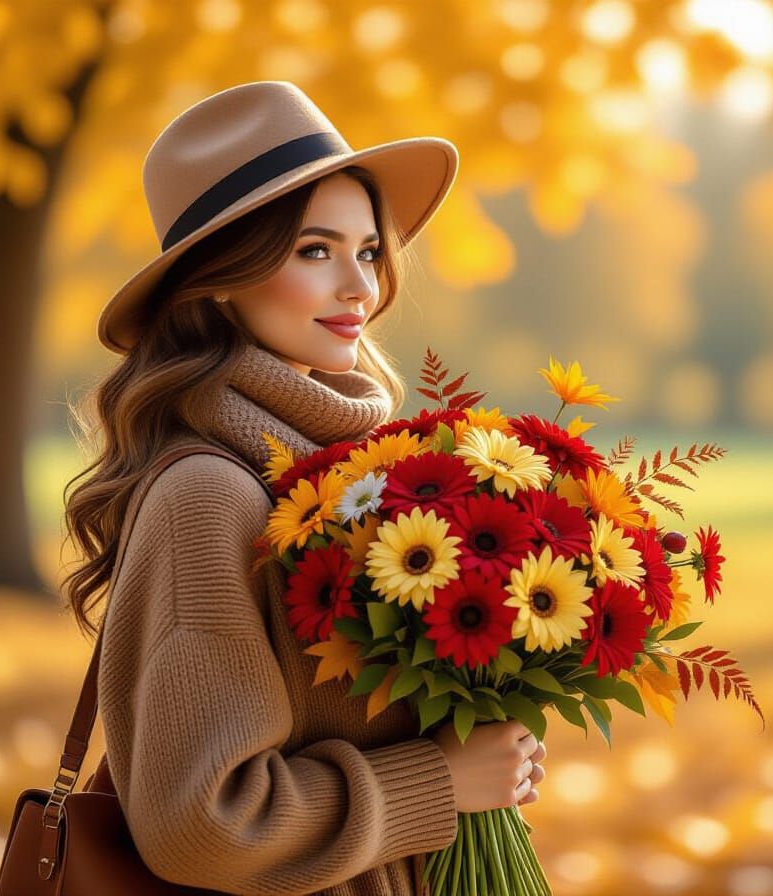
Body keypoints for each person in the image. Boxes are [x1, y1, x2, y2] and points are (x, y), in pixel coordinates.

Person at [61, 81, 546, 896]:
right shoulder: (211, 496)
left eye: (366, 250)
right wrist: (437, 783)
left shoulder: (351, 480)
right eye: (315, 251)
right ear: (220, 277)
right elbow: (203, 822)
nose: (359, 287)